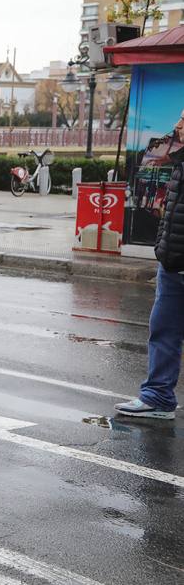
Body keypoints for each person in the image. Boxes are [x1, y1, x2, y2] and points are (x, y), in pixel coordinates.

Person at [117, 108, 184, 421]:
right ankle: (157, 397)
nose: (177, 124)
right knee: (163, 331)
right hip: (172, 264)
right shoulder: (179, 163)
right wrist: (162, 246)